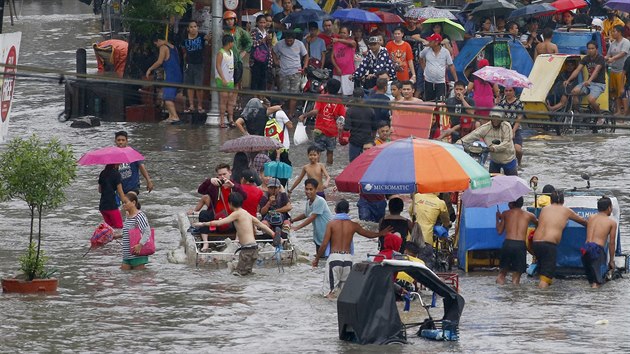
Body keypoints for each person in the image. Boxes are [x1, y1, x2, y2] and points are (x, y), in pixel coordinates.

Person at [311, 200, 390, 298]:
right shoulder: (353, 225)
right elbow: (368, 234)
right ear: (348, 211)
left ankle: (329, 313)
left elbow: (324, 244)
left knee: (328, 294)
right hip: (348, 260)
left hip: (334, 259)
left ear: (335, 210)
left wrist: (317, 259)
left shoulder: (331, 224)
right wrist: (380, 233)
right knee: (345, 294)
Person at [196, 193, 275, 276]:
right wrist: (273, 234)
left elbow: (219, 223)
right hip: (254, 248)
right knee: (247, 274)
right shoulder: (246, 213)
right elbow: (261, 225)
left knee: (238, 275)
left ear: (230, 203)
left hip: (247, 250)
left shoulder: (236, 214)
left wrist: (203, 224)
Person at [532, 191, 588, 288]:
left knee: (542, 273)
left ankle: (539, 295)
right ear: (563, 201)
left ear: (551, 200)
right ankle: (542, 300)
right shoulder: (566, 210)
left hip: (536, 243)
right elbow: (584, 222)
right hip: (548, 245)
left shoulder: (544, 209)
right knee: (546, 277)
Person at [298, 78, 346, 165]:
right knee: (330, 152)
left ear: (327, 87)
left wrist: (304, 115)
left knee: (317, 151)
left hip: (319, 130)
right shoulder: (339, 102)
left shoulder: (321, 97)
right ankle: (329, 170)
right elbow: (342, 117)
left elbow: (315, 111)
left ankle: (316, 169)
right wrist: (341, 131)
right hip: (332, 132)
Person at [459, 107, 518, 176]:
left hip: (508, 160)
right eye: (493, 117)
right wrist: (460, 142)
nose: (495, 120)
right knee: (491, 183)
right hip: (494, 161)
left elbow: (507, 143)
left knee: (513, 181)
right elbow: (474, 134)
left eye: (498, 118)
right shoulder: (486, 127)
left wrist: (493, 148)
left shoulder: (506, 126)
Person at [495, 197, 539, 285]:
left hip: (508, 243)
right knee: (517, 275)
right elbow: (539, 224)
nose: (507, 204)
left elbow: (499, 231)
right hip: (520, 245)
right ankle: (515, 296)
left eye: (509, 202)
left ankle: (501, 292)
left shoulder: (505, 214)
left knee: (502, 273)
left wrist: (497, 218)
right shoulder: (529, 215)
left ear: (512, 203)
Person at [146, 32, 182, 124]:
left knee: (167, 98)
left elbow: (159, 61)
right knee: (169, 96)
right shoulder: (173, 47)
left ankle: (174, 116)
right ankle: (171, 116)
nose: (157, 46)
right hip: (177, 75)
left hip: (171, 76)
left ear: (159, 41)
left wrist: (150, 69)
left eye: (156, 43)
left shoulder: (163, 47)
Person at [582, 196, 617, 288]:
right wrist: (612, 260)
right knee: (597, 282)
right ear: (609, 208)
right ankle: (596, 302)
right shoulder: (611, 223)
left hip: (585, 249)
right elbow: (611, 243)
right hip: (596, 250)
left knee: (591, 280)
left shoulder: (591, 217)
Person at [564, 41, 606, 115]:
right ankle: (577, 113)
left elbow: (596, 71)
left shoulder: (600, 58)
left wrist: (589, 81)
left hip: (599, 84)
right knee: (574, 92)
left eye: (592, 48)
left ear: (596, 49)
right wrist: (568, 80)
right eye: (589, 48)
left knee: (591, 99)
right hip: (589, 83)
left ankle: (600, 115)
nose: (590, 50)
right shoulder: (586, 58)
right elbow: (577, 70)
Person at [273, 30, 308, 118]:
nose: (289, 42)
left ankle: (290, 114)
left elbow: (306, 56)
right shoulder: (279, 44)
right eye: (287, 40)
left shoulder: (299, 44)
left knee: (294, 94)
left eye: (291, 41)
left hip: (296, 73)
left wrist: (305, 67)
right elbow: (273, 52)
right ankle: (283, 113)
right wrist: (276, 60)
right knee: (284, 95)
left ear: (294, 39)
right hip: (283, 73)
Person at [291, 178, 333, 253]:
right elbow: (306, 214)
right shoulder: (308, 202)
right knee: (319, 260)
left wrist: (297, 227)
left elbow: (312, 217)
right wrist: (292, 220)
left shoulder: (320, 201)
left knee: (325, 259)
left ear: (316, 190)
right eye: (306, 189)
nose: (308, 191)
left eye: (311, 189)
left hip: (327, 236)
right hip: (318, 236)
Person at [181, 20, 210, 113]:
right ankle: (191, 105)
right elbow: (183, 50)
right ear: (188, 29)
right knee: (189, 86)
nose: (193, 29)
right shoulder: (184, 38)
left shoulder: (201, 36)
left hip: (199, 64)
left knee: (198, 86)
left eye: (195, 26)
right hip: (189, 64)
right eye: (191, 27)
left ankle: (200, 105)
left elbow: (208, 40)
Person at [419, 33, 457, 101]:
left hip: (440, 82)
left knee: (440, 102)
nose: (429, 42)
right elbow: (421, 57)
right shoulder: (426, 50)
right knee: (429, 101)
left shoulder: (445, 52)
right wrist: (424, 69)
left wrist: (456, 79)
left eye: (431, 41)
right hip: (428, 80)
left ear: (436, 42)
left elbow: (451, 65)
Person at [344, 88, 377, 161]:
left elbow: (347, 128)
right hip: (368, 141)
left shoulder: (350, 111)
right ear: (363, 96)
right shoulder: (371, 110)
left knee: (353, 164)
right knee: (367, 162)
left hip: (355, 141)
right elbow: (374, 127)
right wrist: (372, 138)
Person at [121, 192, 151, 270]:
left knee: (138, 279)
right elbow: (128, 233)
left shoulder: (139, 216)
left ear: (133, 203)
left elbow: (147, 232)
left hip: (138, 255)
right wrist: (116, 236)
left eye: (125, 202)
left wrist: (140, 245)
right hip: (127, 255)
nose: (123, 205)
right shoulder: (127, 216)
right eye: (122, 203)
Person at [222, 10, 252, 88]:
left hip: (237, 61)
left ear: (235, 20)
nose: (229, 22)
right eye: (227, 20)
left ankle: (235, 99)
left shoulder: (240, 31)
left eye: (231, 19)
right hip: (225, 61)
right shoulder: (222, 31)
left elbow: (249, 41)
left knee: (236, 82)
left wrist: (244, 51)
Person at [605, 25, 630, 116]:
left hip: (622, 70)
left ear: (619, 32)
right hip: (613, 69)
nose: (612, 33)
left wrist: (613, 58)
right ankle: (618, 110)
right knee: (615, 92)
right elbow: (608, 54)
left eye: (614, 31)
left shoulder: (625, 42)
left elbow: (623, 53)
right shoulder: (613, 43)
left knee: (622, 93)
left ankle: (625, 113)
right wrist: (605, 58)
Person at [498, 87, 525, 166]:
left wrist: (513, 130)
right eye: (506, 91)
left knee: (518, 149)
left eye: (510, 91)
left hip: (516, 129)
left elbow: (519, 118)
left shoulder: (519, 103)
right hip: (504, 130)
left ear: (514, 92)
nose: (508, 92)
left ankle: (519, 162)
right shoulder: (501, 103)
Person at [99, 164, 127, 231]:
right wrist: (126, 202)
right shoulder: (116, 174)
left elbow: (100, 190)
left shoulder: (102, 173)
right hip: (112, 205)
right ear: (115, 164)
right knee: (119, 227)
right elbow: (120, 192)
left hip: (103, 206)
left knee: (109, 229)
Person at [216, 34, 236, 128]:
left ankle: (231, 119)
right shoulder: (221, 53)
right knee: (223, 99)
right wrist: (223, 78)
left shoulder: (231, 52)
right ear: (229, 43)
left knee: (230, 100)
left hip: (230, 79)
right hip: (222, 79)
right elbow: (218, 65)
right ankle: (222, 120)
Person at [330, 26, 356, 96]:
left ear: (348, 34)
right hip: (337, 72)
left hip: (348, 72)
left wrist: (338, 40)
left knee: (348, 93)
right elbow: (332, 57)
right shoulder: (336, 43)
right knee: (337, 93)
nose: (342, 34)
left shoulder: (352, 42)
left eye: (344, 33)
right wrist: (337, 67)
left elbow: (352, 43)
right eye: (341, 32)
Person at [250, 15, 273, 92]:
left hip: (265, 59)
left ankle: (261, 97)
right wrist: (262, 40)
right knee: (255, 79)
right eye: (261, 22)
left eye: (264, 22)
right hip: (256, 59)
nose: (262, 24)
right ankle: (254, 97)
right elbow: (252, 44)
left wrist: (269, 41)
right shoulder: (254, 32)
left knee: (263, 80)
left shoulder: (266, 32)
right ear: (257, 23)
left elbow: (269, 46)